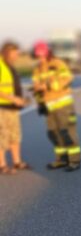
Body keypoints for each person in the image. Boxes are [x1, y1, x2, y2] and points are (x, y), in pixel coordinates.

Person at [31, 41, 81, 172]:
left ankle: (74, 160)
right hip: (48, 106)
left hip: (63, 104)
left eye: (42, 55)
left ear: (48, 53)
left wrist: (47, 86)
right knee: (53, 133)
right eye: (38, 56)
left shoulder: (58, 64)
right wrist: (40, 103)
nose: (40, 58)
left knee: (67, 132)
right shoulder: (37, 69)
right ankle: (61, 159)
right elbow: (36, 88)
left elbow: (67, 78)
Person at [0, 41, 29, 175]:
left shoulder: (10, 66)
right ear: (7, 52)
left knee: (15, 135)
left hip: (13, 107)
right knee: (2, 137)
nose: (17, 55)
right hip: (2, 107)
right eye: (15, 53)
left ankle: (17, 162)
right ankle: (2, 165)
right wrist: (14, 99)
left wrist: (21, 99)